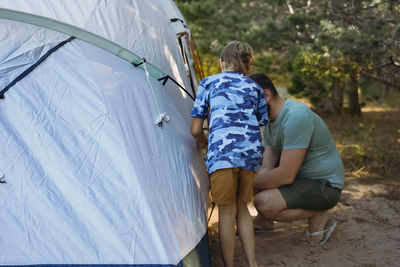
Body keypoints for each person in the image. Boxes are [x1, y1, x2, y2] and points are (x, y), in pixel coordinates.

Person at [190, 41, 268, 267]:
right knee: (243, 206)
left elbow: (195, 129)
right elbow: (260, 122)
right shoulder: (255, 88)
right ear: (248, 65)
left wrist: (204, 142)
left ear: (222, 62)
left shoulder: (208, 83)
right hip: (250, 153)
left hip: (222, 154)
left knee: (226, 211)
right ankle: (252, 263)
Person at [248, 73, 344, 245]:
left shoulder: (295, 117)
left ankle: (318, 214)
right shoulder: (269, 120)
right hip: (301, 180)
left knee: (264, 202)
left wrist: (244, 183)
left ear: (266, 95)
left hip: (324, 185)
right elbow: (266, 166)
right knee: (253, 170)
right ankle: (264, 221)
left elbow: (285, 175)